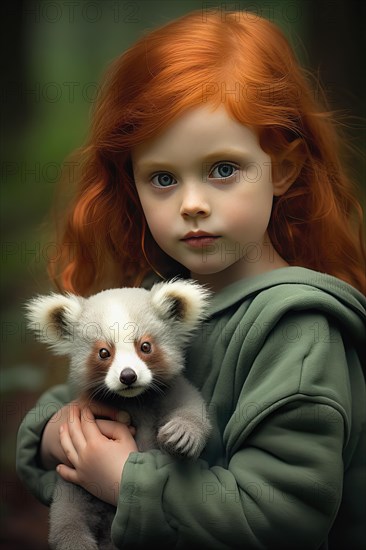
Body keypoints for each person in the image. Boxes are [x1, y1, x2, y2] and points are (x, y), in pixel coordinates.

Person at [16, 9, 365, 549]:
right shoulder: (155, 300)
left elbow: (283, 518)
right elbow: (68, 401)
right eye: (162, 178)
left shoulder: (299, 332)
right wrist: (59, 438)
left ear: (283, 168)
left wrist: (126, 481)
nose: (193, 204)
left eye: (223, 169)